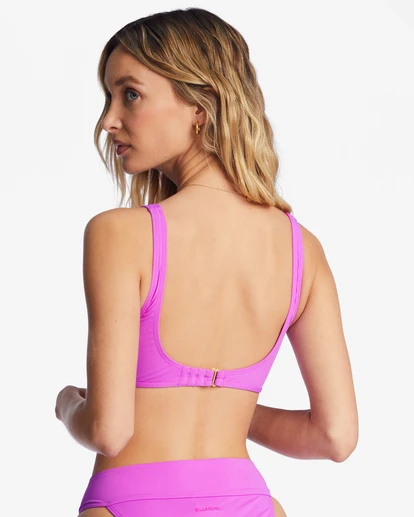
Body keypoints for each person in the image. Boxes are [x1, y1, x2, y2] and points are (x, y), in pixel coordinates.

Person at [54, 7, 358, 517]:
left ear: (201, 103)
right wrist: (232, 409)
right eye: (108, 97)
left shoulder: (119, 234)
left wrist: (67, 405)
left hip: (127, 503)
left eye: (130, 94)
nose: (108, 120)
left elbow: (109, 430)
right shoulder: (303, 249)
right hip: (251, 503)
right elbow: (336, 436)